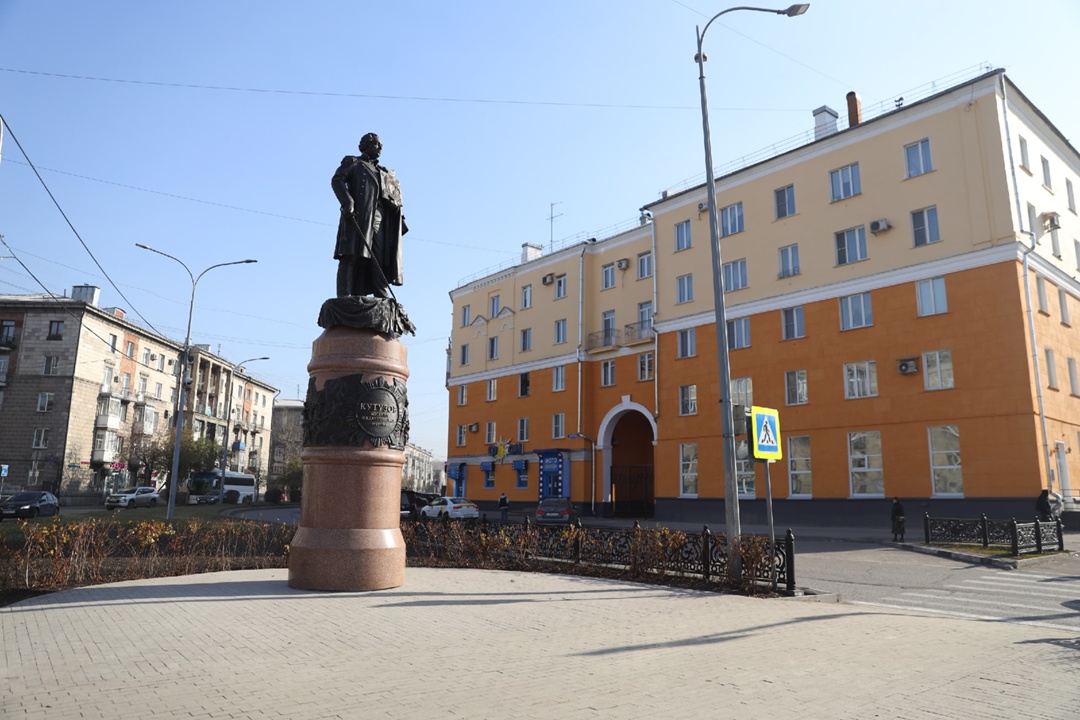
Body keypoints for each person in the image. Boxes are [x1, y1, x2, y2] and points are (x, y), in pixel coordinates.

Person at [331, 133, 407, 298]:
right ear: (365, 145)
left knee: (379, 257)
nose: (379, 148)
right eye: (376, 144)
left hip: (379, 219)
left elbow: (391, 197)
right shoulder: (354, 163)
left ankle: (381, 292)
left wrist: (396, 207)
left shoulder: (384, 172)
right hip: (359, 215)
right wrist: (347, 202)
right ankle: (344, 296)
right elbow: (337, 180)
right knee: (351, 255)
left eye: (381, 146)